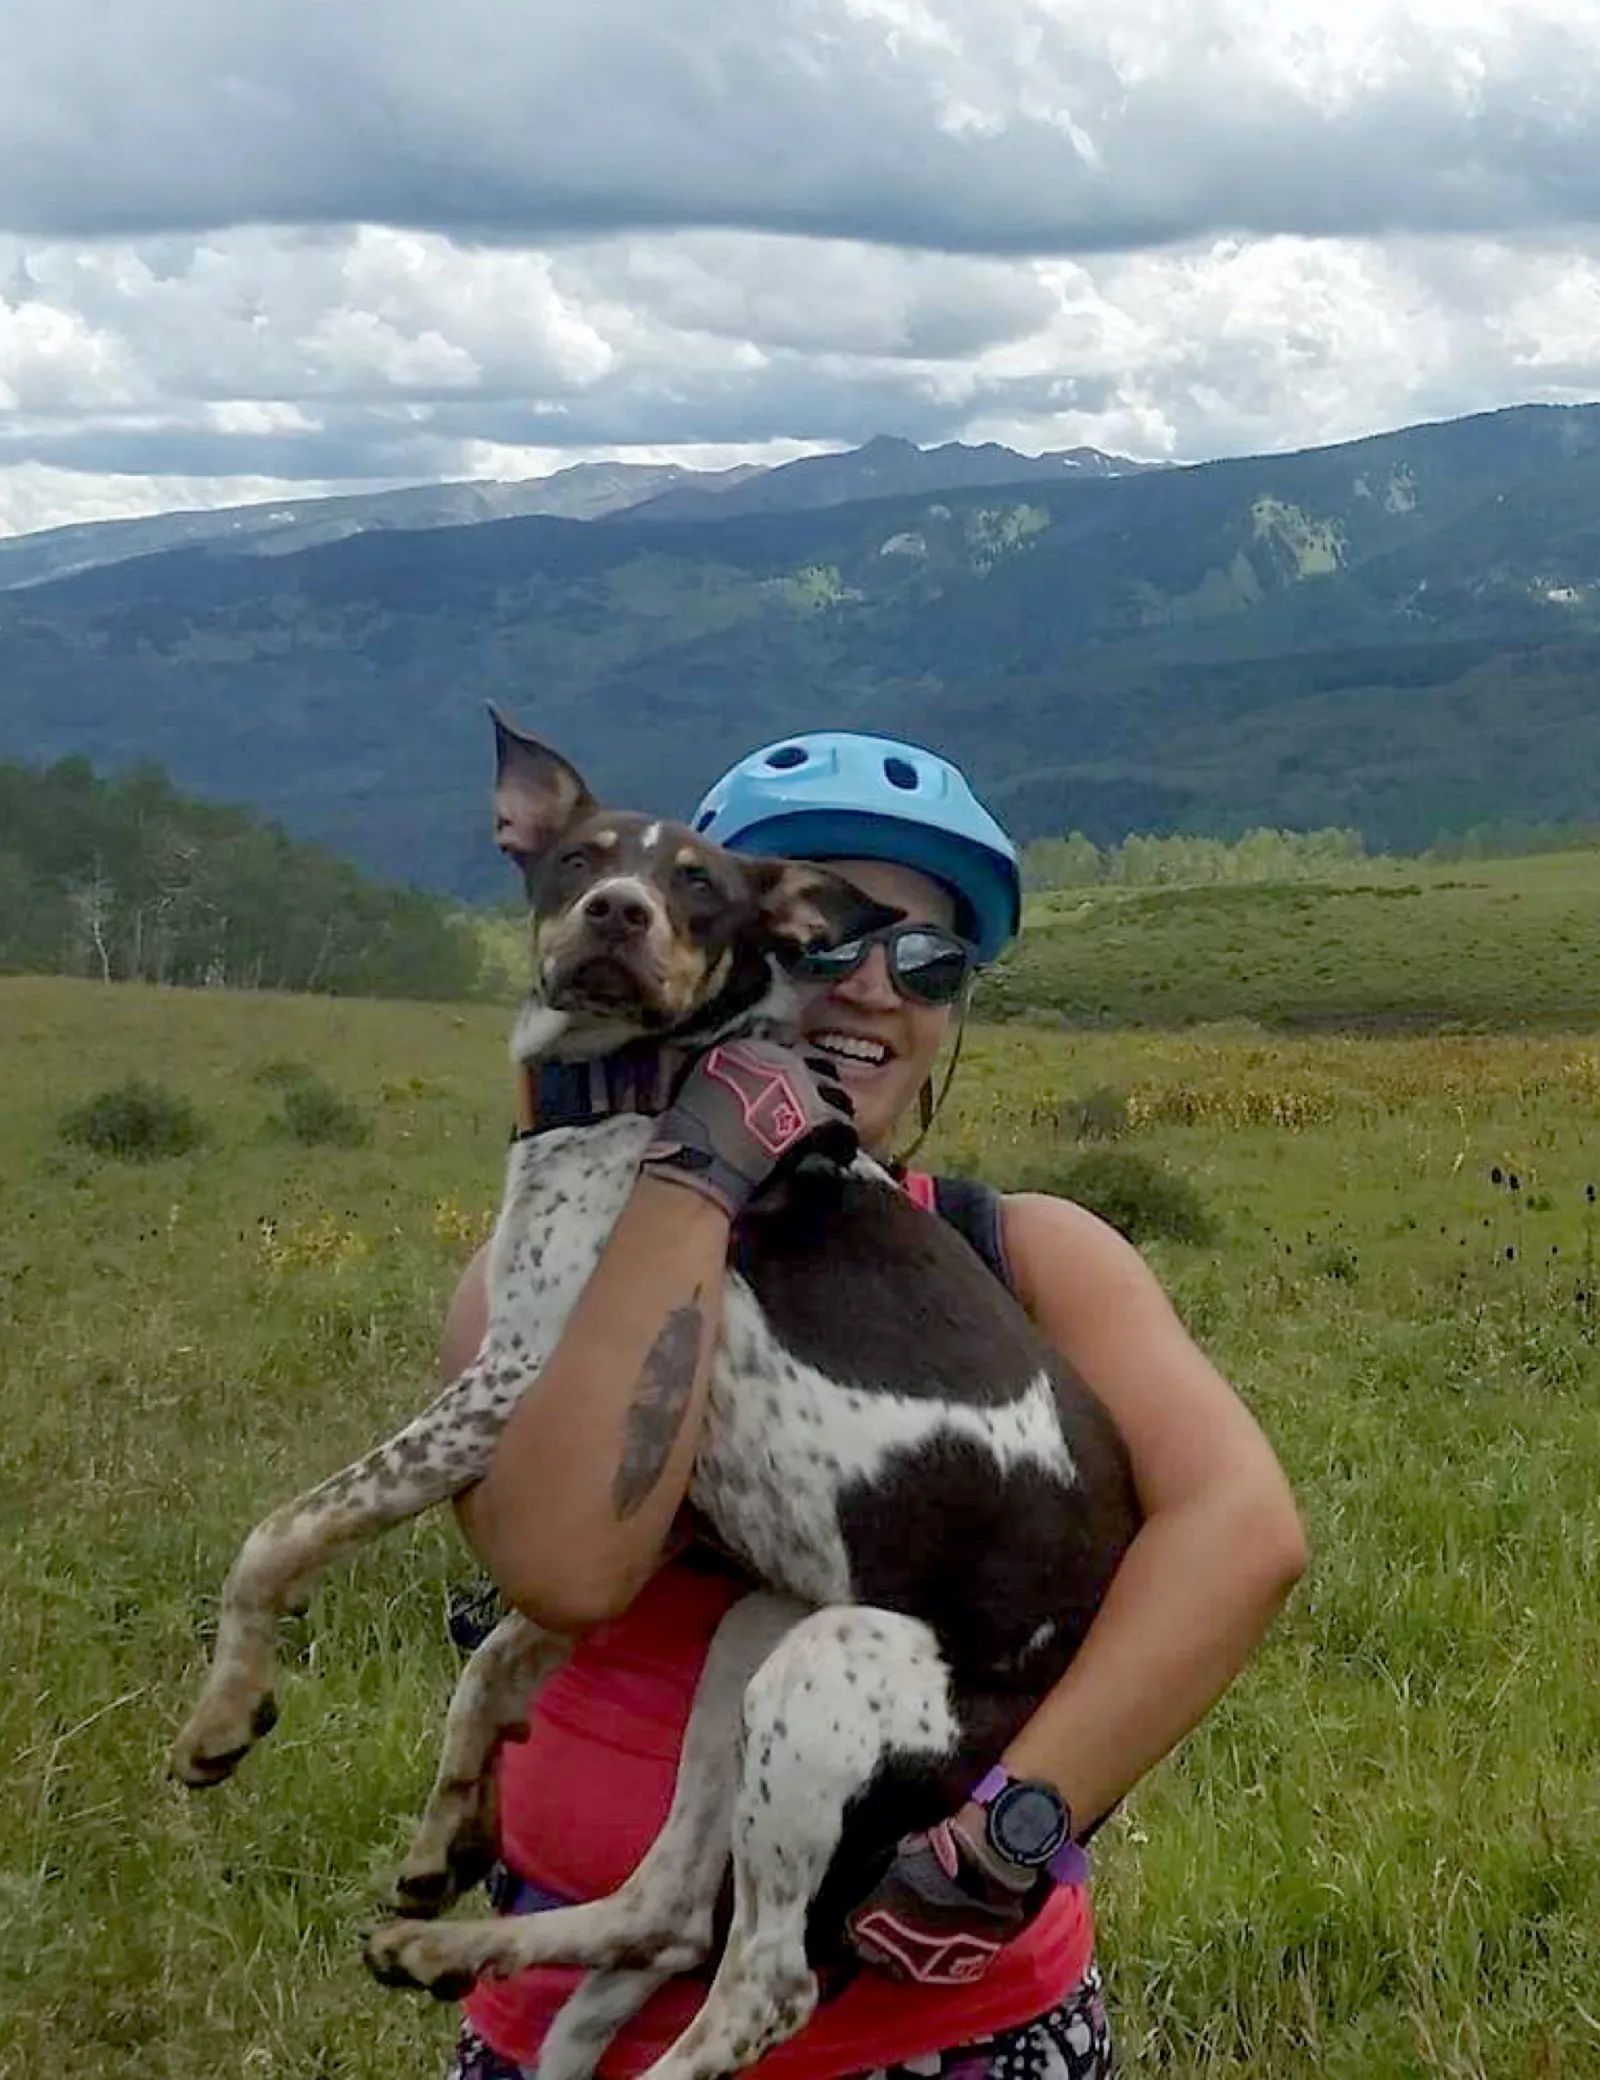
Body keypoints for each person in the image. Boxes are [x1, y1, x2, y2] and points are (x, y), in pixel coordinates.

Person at [435, 732, 1309, 2080]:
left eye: (929, 961)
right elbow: (565, 1563)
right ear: (710, 958)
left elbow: (1242, 1530)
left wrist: (1016, 1828)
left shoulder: (1023, 1254)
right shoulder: (538, 1271)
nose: (869, 987)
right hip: (574, 2023)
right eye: (818, 939)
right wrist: (693, 1176)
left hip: (948, 2031)